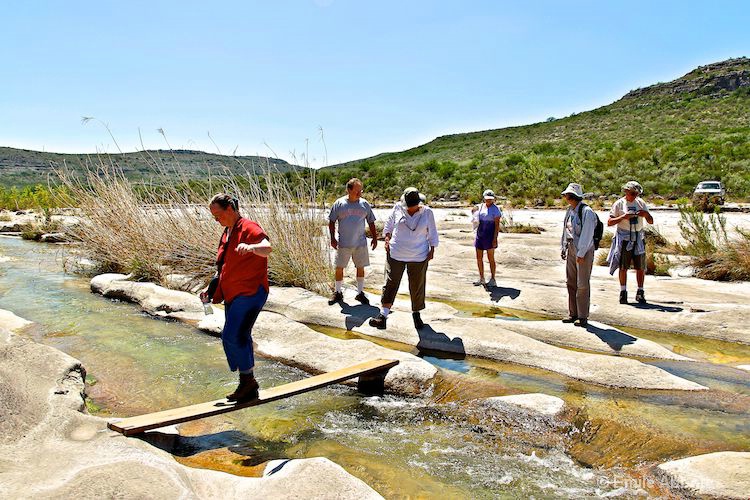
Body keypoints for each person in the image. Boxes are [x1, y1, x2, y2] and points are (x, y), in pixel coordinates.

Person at [200, 193, 272, 403]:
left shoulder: (249, 227)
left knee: (232, 336)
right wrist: (210, 289)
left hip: (251, 292)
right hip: (233, 293)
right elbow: (223, 266)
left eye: (218, 215)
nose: (216, 220)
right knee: (241, 336)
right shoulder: (227, 232)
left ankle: (248, 382)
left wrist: (251, 247)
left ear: (230, 209)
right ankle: (247, 383)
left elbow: (267, 247)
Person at [369, 187, 439, 330]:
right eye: (408, 206)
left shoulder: (427, 213)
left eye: (412, 206)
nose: (410, 209)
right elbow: (388, 225)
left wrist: (432, 249)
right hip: (396, 252)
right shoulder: (397, 208)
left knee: (417, 285)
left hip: (418, 255)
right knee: (390, 282)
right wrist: (387, 238)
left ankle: (416, 314)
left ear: (419, 203)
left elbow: (432, 232)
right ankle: (383, 316)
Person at [328, 178, 378, 305]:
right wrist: (332, 238)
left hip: (360, 243)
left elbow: (371, 221)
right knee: (339, 268)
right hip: (343, 243)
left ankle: (360, 293)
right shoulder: (339, 204)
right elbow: (332, 221)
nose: (359, 193)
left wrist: (375, 238)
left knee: (360, 267)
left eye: (360, 191)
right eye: (357, 191)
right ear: (348, 190)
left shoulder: (364, 204)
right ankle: (338, 293)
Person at [606, 181, 654, 304]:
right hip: (624, 237)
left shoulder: (641, 203)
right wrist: (623, 217)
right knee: (623, 266)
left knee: (640, 267)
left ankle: (640, 291)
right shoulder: (619, 204)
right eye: (632, 193)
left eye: (636, 194)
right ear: (626, 191)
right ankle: (623, 292)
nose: (634, 196)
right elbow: (610, 222)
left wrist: (646, 214)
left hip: (638, 237)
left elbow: (651, 221)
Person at [560, 183, 597, 327]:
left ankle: (582, 316)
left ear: (573, 196)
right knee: (571, 282)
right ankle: (572, 313)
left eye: (567, 195)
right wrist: (563, 247)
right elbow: (566, 230)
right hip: (571, 248)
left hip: (583, 250)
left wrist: (581, 253)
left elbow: (587, 234)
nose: (565, 197)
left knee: (582, 284)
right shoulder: (570, 210)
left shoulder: (586, 212)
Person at [472, 189, 502, 287]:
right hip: (480, 235)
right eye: (487, 199)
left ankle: (493, 279)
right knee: (479, 258)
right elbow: (474, 212)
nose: (489, 201)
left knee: (491, 258)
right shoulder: (480, 207)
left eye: (491, 199)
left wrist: (495, 238)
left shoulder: (495, 209)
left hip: (490, 235)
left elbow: (497, 225)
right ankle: (481, 278)